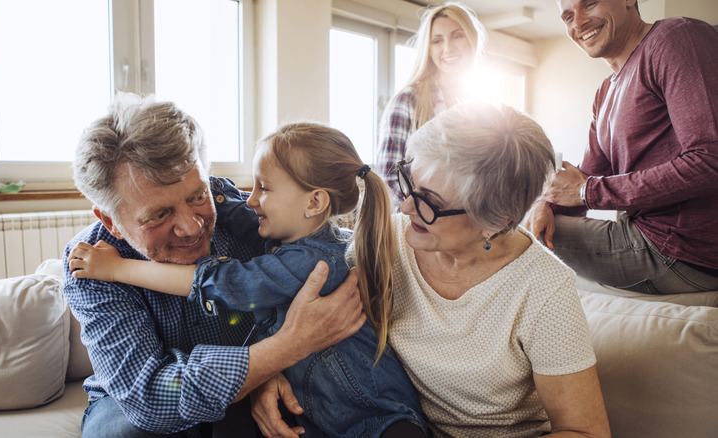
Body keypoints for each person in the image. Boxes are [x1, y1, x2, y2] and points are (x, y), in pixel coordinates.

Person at [255, 101, 612, 438]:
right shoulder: (390, 238)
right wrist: (268, 372)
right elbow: (308, 317)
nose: (407, 207)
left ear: (495, 221)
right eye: (410, 182)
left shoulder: (545, 290)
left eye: (430, 202)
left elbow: (585, 432)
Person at [69, 122, 428, 437]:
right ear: (111, 221)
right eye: (159, 214)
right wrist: (280, 352)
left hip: (334, 402)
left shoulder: (252, 221)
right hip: (144, 400)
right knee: (121, 431)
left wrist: (263, 371)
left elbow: (305, 242)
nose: (192, 227)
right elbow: (149, 398)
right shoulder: (91, 264)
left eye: (198, 196)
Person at [525, 0, 718, 294]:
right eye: (567, 16)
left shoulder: (676, 38)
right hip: (645, 236)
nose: (578, 22)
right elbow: (586, 175)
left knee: (516, 237)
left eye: (589, 3)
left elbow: (710, 159)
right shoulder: (605, 92)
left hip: (685, 252)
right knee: (527, 219)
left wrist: (587, 192)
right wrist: (546, 203)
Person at [375, 1, 487, 205]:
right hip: (422, 218)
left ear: (472, 39)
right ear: (428, 48)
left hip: (472, 216)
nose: (448, 48)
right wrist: (429, 213)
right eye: (437, 41)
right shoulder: (408, 101)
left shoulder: (484, 106)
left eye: (457, 36)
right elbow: (389, 178)